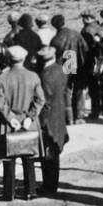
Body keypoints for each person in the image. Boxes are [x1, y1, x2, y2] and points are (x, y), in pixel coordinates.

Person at [0, 45, 46, 200]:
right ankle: (30, 191)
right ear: (24, 59)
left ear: (9, 59)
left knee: (8, 158)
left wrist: (11, 119)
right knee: (28, 156)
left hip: (8, 123)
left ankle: (9, 193)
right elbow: (40, 99)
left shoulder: (2, 78)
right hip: (28, 121)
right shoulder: (33, 76)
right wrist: (30, 117)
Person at [36, 45, 69, 197]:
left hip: (49, 117)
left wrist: (40, 121)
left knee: (48, 154)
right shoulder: (61, 69)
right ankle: (51, 184)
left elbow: (45, 102)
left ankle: (49, 186)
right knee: (54, 151)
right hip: (59, 113)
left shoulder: (45, 75)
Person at [51, 13, 86, 117]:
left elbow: (53, 53)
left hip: (67, 61)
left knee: (66, 90)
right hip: (78, 61)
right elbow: (85, 47)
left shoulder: (57, 38)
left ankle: (68, 116)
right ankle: (80, 114)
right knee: (78, 89)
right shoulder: (75, 33)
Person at [81, 11, 103, 121]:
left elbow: (84, 48)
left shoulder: (86, 30)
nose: (82, 20)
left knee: (93, 88)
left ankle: (95, 111)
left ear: (87, 18)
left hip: (90, 62)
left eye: (83, 18)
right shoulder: (102, 28)